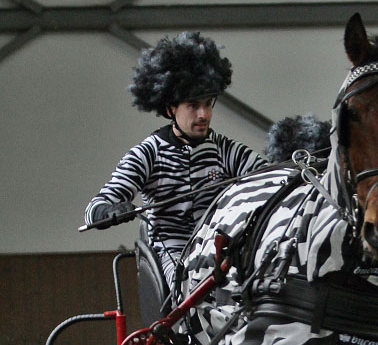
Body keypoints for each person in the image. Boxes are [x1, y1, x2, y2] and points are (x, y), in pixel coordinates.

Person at [84, 31, 267, 288]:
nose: (204, 114)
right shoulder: (147, 154)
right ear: (170, 108)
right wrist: (109, 210)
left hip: (222, 252)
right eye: (193, 105)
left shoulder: (226, 150)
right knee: (191, 283)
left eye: (208, 103)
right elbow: (94, 209)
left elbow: (270, 176)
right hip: (173, 255)